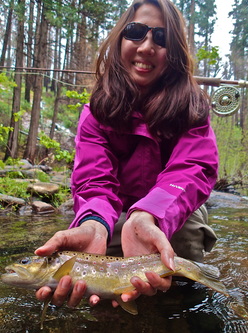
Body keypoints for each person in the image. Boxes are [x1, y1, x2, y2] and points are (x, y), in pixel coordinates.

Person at [35, 0, 218, 310]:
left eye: (161, 38)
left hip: (171, 209)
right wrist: (94, 223)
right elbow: (94, 182)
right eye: (136, 32)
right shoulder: (96, 112)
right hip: (114, 209)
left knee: (184, 240)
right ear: (120, 39)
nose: (147, 46)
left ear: (173, 52)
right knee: (97, 249)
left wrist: (147, 214)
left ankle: (188, 302)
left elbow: (192, 169)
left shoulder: (192, 109)